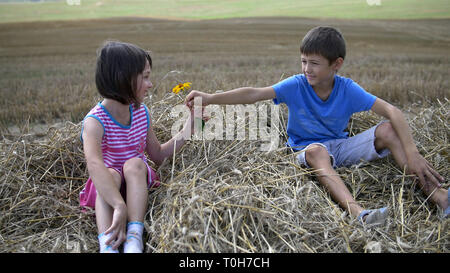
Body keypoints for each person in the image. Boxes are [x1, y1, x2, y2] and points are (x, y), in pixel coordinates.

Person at [185, 26, 449, 224]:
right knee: (316, 151)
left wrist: (412, 153)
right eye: (303, 61)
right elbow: (254, 93)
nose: (306, 69)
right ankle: (360, 215)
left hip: (341, 147)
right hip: (307, 151)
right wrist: (210, 98)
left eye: (314, 63)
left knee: (389, 130)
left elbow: (393, 111)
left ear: (337, 65)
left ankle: (440, 198)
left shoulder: (348, 89)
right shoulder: (296, 85)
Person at [80, 41, 197, 253]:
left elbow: (159, 155)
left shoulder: (141, 113)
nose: (150, 84)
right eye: (145, 76)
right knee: (110, 174)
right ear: (123, 78)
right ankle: (108, 245)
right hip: (106, 190)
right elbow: (94, 166)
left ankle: (134, 237)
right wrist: (118, 204)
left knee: (135, 163)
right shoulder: (94, 122)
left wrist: (190, 126)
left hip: (137, 184)